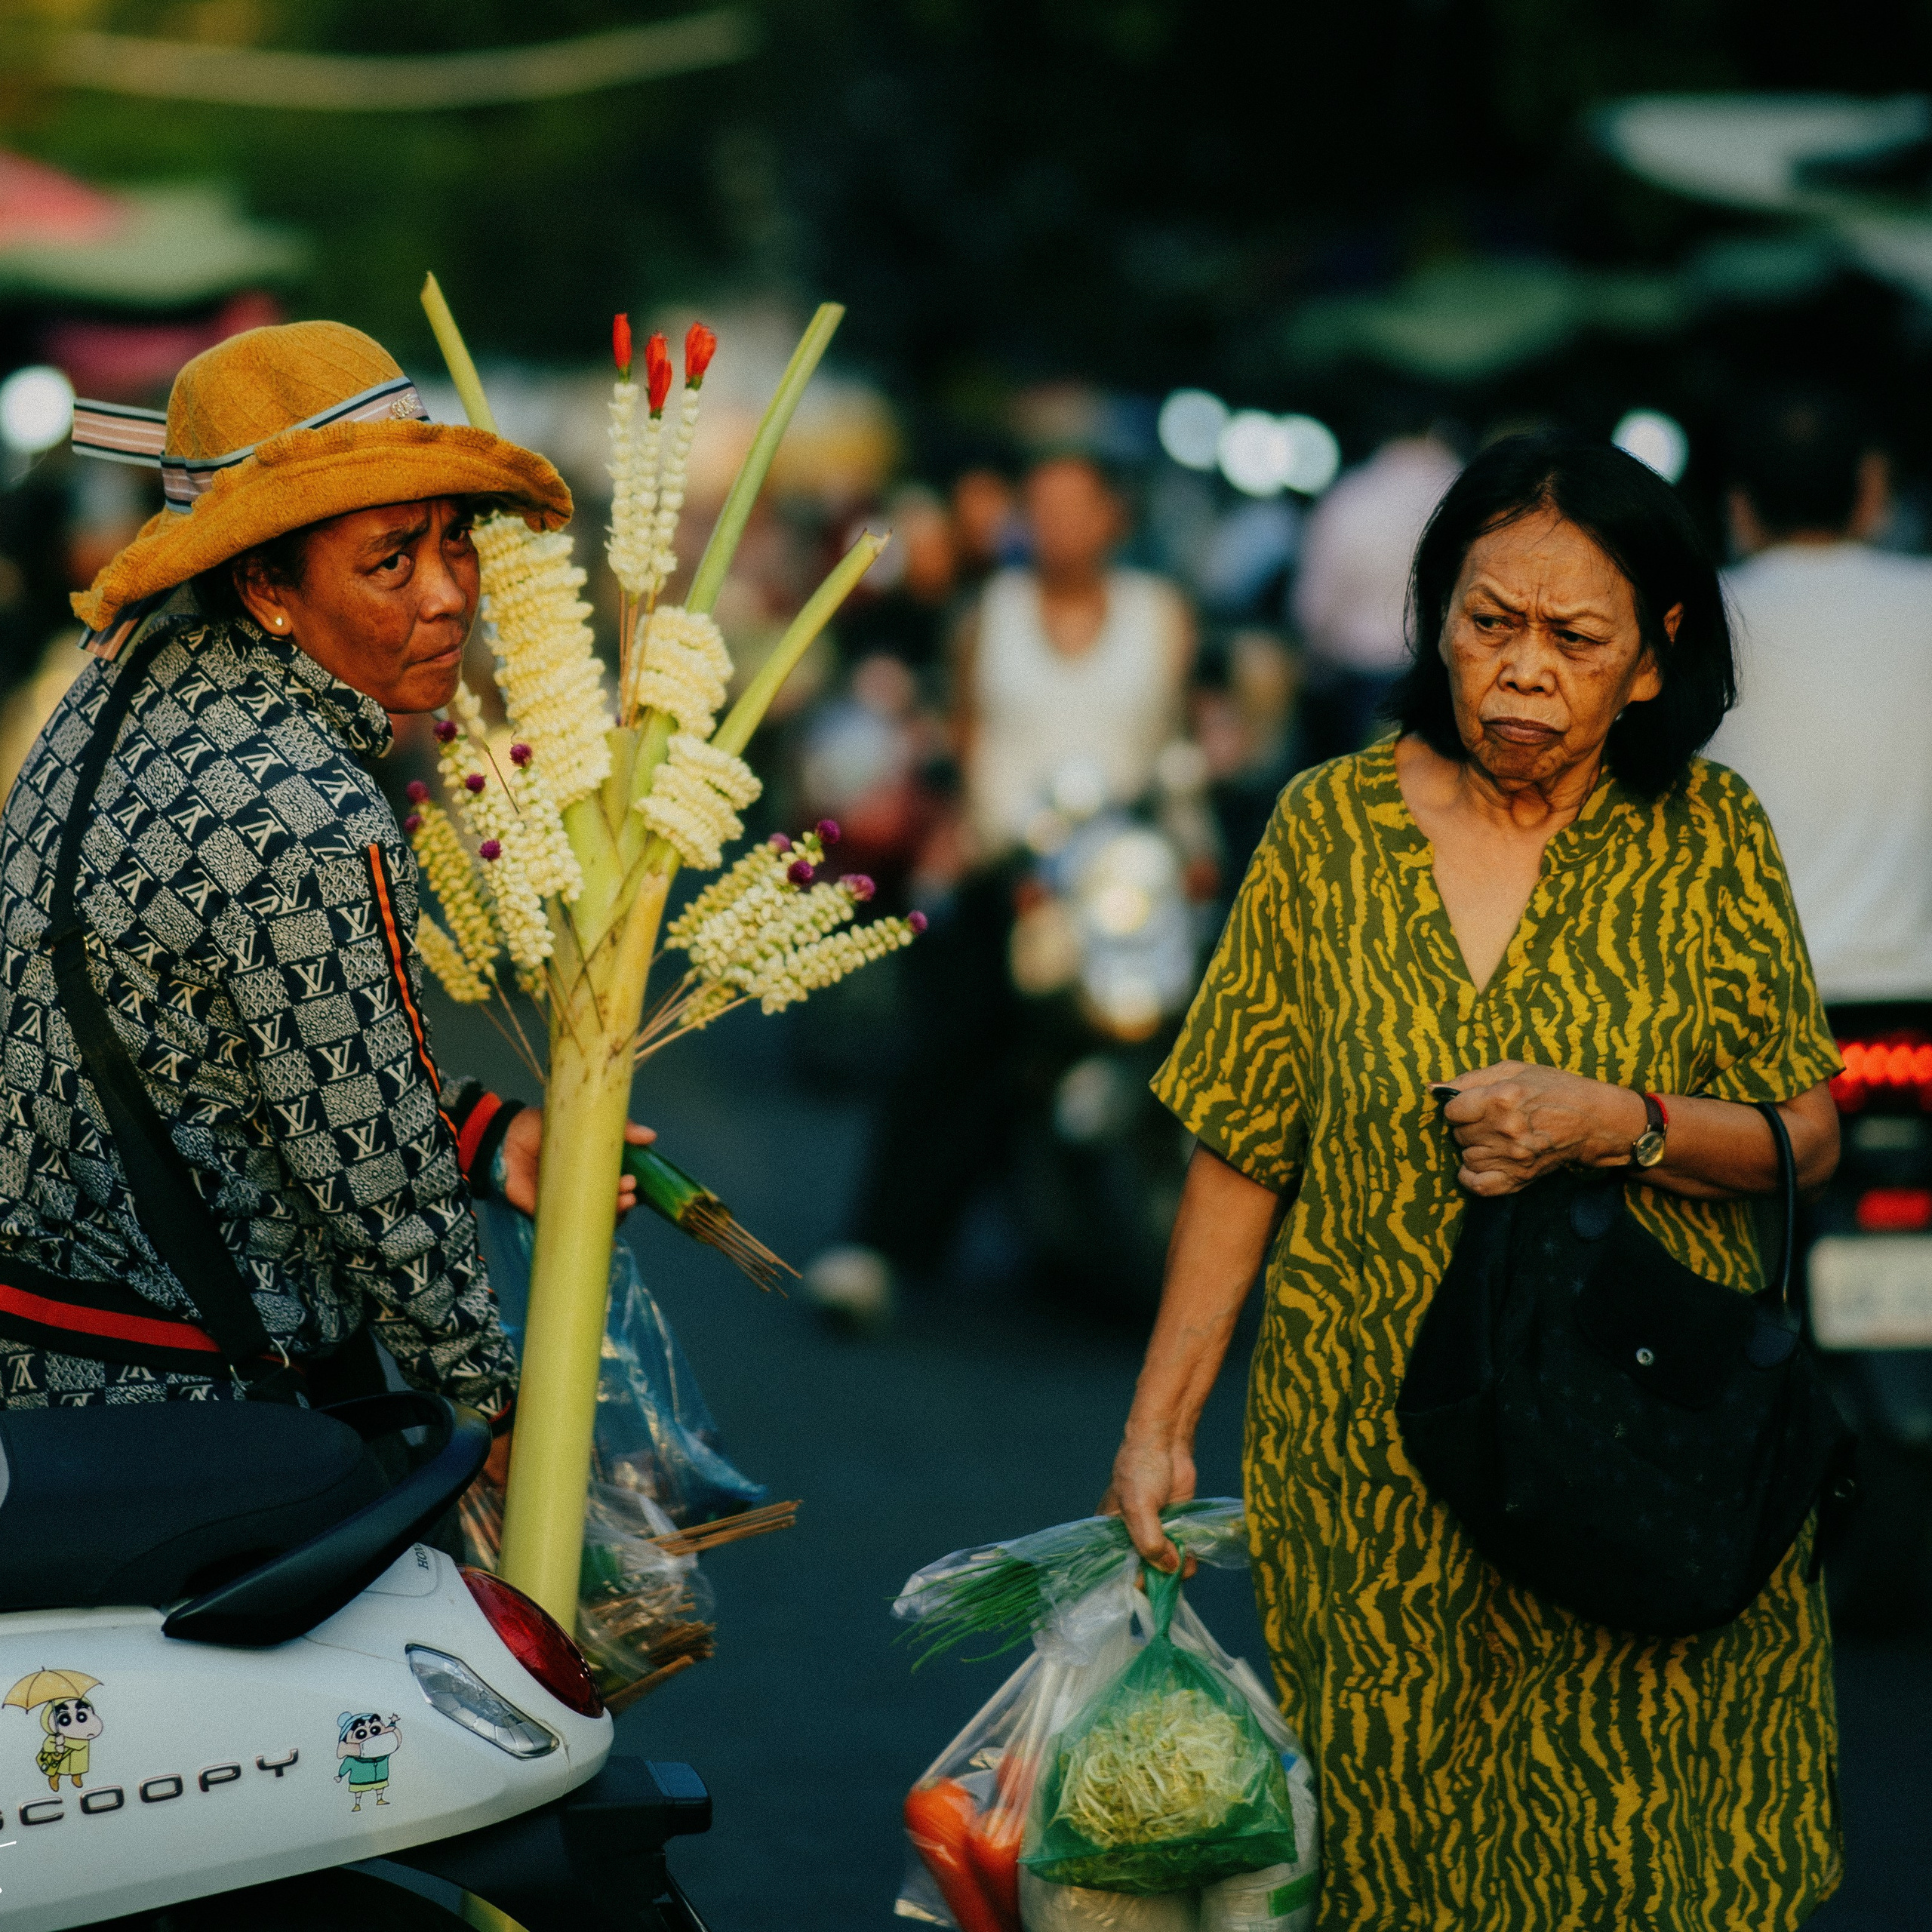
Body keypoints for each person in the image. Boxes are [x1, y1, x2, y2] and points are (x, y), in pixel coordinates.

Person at [1105, 432, 1844, 1928]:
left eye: (1575, 639)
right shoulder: (1326, 831)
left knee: (1649, 1854)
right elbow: (1242, 1142)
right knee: (1400, 1853)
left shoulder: (1709, 840)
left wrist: (1617, 1121)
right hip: (1369, 1458)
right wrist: (1158, 1423)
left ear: (1653, 658)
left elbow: (1804, 1130)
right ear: (1431, 613)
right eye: (1488, 620)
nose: (1521, 672)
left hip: (1641, 1447)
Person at [0, 320, 649, 1423]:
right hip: (184, 1414)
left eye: (456, 540)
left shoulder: (121, 687)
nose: (448, 594)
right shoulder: (304, 811)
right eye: (392, 560)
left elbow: (236, 1047)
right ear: (266, 583)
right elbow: (381, 1191)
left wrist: (482, 1136)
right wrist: (493, 1408)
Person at [805, 453, 1194, 1322]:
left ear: (1112, 518)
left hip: (1121, 870)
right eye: (1039, 507)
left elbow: (1176, 737)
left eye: (1074, 506)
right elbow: (963, 736)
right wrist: (961, 836)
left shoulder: (1159, 614)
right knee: (953, 1042)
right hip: (1008, 871)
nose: (1055, 525)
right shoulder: (993, 613)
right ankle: (880, 1244)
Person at [1705, 386, 1932, 1002]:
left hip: (1752, 1004)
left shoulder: (1695, 619)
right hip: (1917, 989)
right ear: (1873, 490)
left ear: (1739, 507)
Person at [1292, 424, 1460, 759]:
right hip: (1440, 672)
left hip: (1358, 674)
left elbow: (1314, 607)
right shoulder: (1462, 491)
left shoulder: (1350, 495)